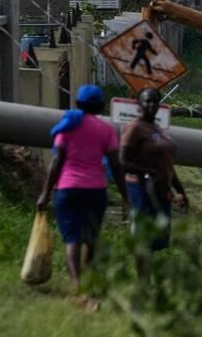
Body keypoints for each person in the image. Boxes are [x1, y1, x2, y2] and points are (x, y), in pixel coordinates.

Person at [37, 85, 129, 291]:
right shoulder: (106, 131)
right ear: (100, 106)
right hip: (95, 191)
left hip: (68, 189)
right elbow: (116, 165)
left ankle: (77, 284)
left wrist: (45, 193)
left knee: (72, 239)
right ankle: (88, 281)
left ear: (78, 104)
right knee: (91, 238)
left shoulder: (68, 126)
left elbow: (56, 161)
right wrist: (126, 197)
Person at [121, 87, 188, 277]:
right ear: (139, 104)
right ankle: (143, 281)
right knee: (143, 235)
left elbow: (167, 165)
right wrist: (148, 172)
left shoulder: (158, 129)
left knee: (158, 237)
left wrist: (181, 190)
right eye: (146, 101)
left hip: (161, 188)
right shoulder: (134, 128)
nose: (150, 105)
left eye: (154, 101)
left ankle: (148, 275)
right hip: (141, 188)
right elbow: (123, 162)